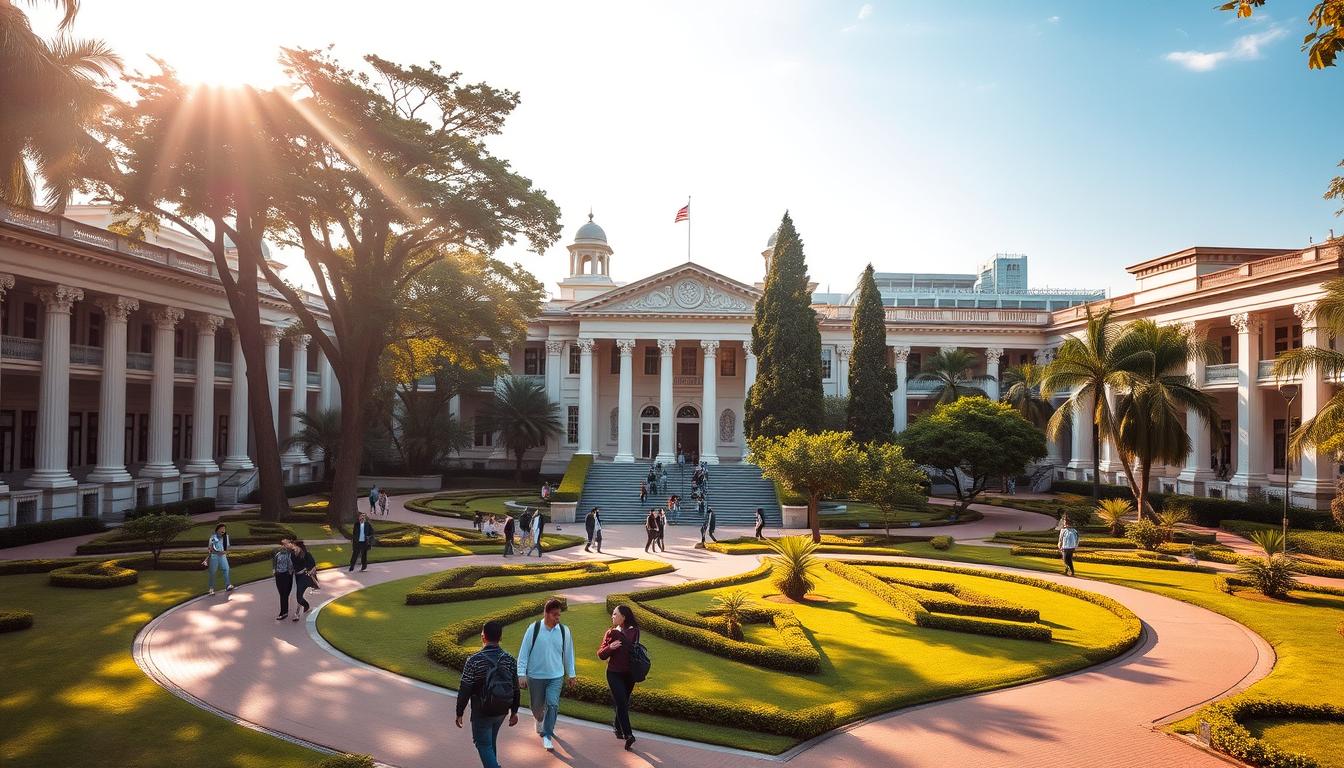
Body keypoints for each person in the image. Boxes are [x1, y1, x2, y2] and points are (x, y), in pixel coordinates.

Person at [456, 619, 520, 768]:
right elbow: (515, 688)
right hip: (501, 710)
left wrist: (459, 712)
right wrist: (514, 711)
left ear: (483, 637)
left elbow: (465, 688)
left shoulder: (473, 661)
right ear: (500, 638)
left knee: (483, 744)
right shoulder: (510, 660)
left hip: (482, 711)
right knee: (490, 743)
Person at [517, 598, 576, 752]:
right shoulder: (533, 629)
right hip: (535, 676)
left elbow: (568, 654)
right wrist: (521, 674)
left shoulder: (564, 631)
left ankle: (547, 735)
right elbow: (523, 653)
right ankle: (539, 718)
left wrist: (571, 674)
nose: (557, 618)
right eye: (555, 615)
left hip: (556, 675)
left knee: (552, 704)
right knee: (536, 707)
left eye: (559, 615)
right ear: (546, 613)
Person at [598, 604, 641, 751]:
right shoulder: (610, 632)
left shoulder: (634, 631)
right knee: (622, 703)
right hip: (614, 673)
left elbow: (630, 646)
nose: (612, 616)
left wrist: (619, 638)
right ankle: (629, 735)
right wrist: (611, 647)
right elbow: (601, 655)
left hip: (630, 675)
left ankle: (617, 727)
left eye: (615, 614)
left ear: (623, 617)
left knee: (623, 702)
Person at [291, 540, 318, 622]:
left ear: (299, 546)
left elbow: (313, 565)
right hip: (297, 576)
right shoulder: (292, 555)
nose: (293, 547)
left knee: (299, 595)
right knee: (299, 595)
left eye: (294, 546)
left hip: (304, 576)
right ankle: (306, 605)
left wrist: (308, 571)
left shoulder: (306, 554)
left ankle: (297, 614)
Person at [205, 523, 234, 595]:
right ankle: (211, 589)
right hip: (214, 557)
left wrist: (225, 551)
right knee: (212, 572)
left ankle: (228, 585)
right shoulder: (212, 538)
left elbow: (227, 547)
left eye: (224, 529)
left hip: (223, 556)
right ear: (217, 530)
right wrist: (217, 552)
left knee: (226, 569)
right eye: (222, 529)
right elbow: (210, 549)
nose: (223, 530)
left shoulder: (226, 537)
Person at [272, 537, 295, 621]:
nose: (284, 546)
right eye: (283, 544)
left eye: (286, 544)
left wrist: (290, 573)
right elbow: (274, 563)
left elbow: (292, 565)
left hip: (286, 576)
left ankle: (284, 612)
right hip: (279, 576)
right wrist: (274, 571)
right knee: (282, 594)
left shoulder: (290, 553)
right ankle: (284, 612)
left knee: (285, 594)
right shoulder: (278, 554)